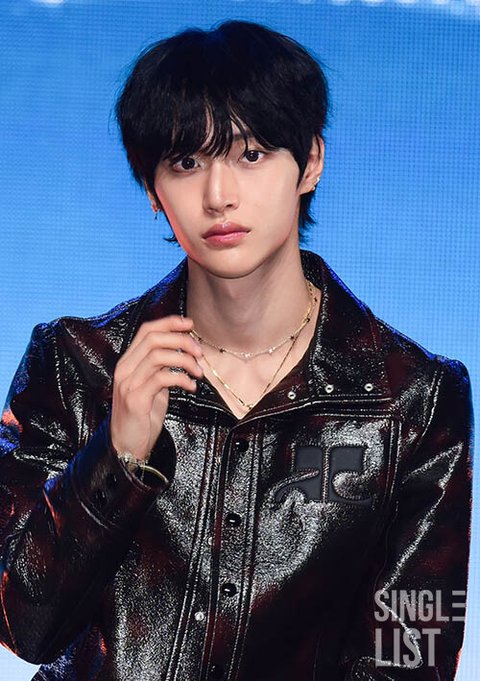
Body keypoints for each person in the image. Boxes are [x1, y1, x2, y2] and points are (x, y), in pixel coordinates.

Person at [0, 19, 472, 681]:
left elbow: (411, 653)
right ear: (152, 189)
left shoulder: (415, 400)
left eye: (250, 155)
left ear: (310, 162)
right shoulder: (75, 363)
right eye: (185, 163)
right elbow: (22, 625)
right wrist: (117, 456)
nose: (218, 196)